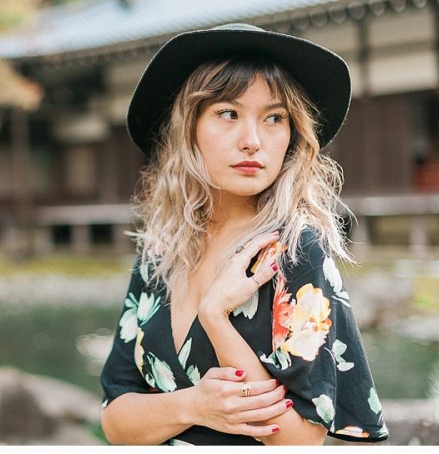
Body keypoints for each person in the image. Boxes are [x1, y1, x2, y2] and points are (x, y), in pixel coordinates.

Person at [99, 23, 389, 445]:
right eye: (228, 114)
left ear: (292, 136)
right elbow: (114, 419)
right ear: (189, 129)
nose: (252, 141)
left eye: (274, 118)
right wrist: (193, 405)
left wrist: (216, 316)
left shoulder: (295, 249)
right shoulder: (162, 249)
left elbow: (299, 441)